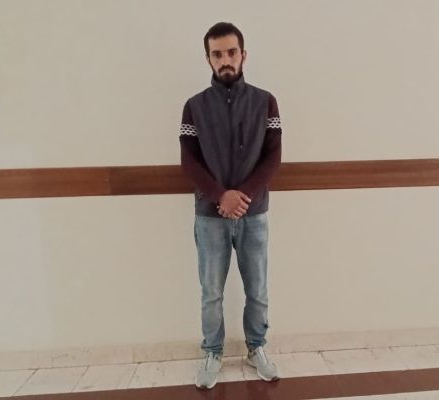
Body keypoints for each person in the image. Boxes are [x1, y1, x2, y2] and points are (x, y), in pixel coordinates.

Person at [179, 22, 282, 389]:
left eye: (231, 52)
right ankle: (212, 351)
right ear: (208, 58)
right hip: (210, 215)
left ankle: (257, 348)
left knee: (258, 289)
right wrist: (220, 195)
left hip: (254, 214)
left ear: (243, 54)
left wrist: (243, 195)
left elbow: (272, 157)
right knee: (211, 292)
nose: (225, 60)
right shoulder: (194, 107)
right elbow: (189, 161)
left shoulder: (265, 101)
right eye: (217, 54)